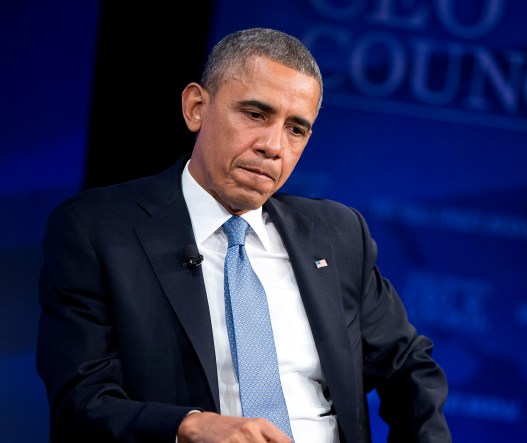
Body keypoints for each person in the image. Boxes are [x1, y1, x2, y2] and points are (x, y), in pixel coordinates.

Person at [36, 27, 451, 443]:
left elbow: (408, 365)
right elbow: (81, 402)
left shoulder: (337, 234)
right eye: (255, 115)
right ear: (196, 108)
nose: (273, 145)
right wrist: (191, 427)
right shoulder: (98, 229)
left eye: (295, 129)